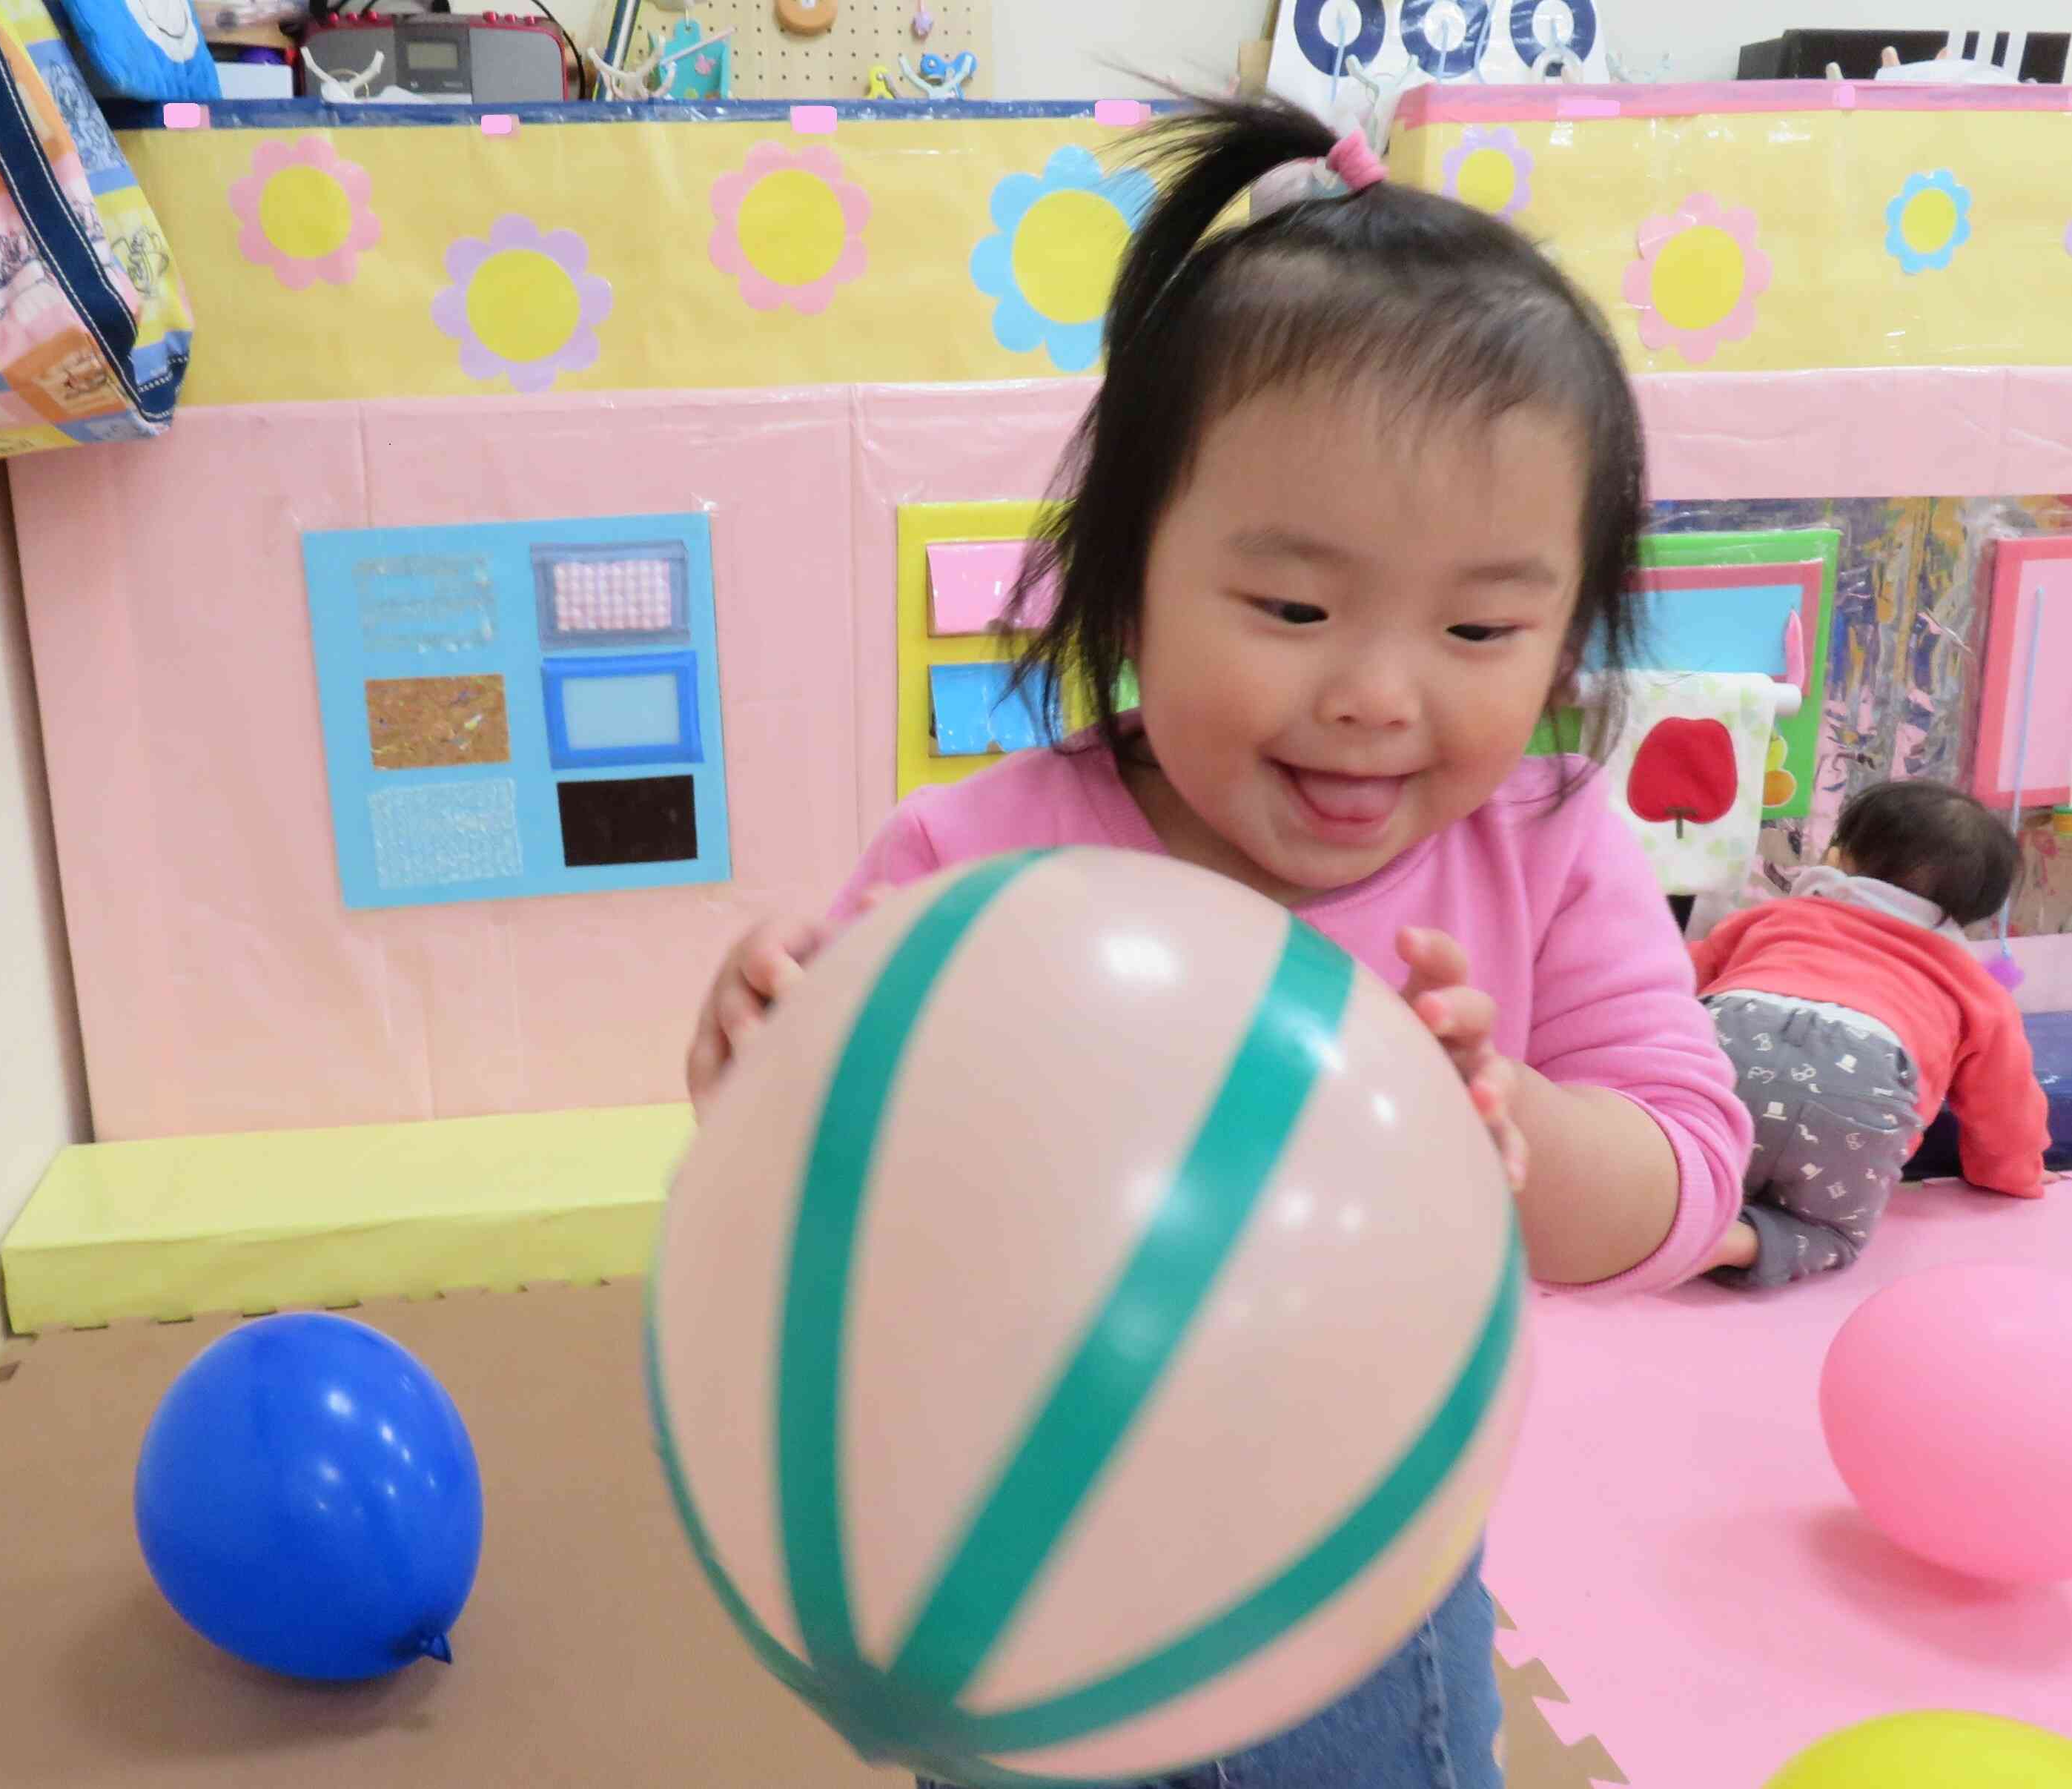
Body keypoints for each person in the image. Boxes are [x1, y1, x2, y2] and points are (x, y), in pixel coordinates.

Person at [684, 94, 1751, 1789]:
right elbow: (843, 1202)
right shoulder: (976, 859)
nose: (1376, 691)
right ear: (1127, 586)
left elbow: (1689, 1180)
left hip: (1349, 1568)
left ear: (1563, 632)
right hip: (1006, 1553)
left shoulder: (1545, 851)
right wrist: (761, 1058)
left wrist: (1510, 1125)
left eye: (1480, 623)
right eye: (1292, 608)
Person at [1692, 779, 2056, 1289]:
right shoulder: (1970, 983)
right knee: (1830, 1230)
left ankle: (1658, 1208)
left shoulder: (1773, 918)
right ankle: (1743, 1243)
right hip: (1863, 1080)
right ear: (1971, 913)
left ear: (1837, 859)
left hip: (1729, 1039)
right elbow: (2004, 1105)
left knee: (1665, 1155)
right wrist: (2014, 1173)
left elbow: (1669, 986)